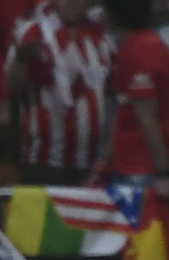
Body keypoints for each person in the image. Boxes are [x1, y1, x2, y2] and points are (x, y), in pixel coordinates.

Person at [7, 0, 111, 185]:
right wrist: (21, 61)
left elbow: (111, 90)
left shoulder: (99, 35)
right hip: (44, 161)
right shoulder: (32, 32)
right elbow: (10, 89)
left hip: (92, 162)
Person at [102, 0, 169, 198]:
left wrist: (163, 172)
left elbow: (147, 118)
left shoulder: (139, 51)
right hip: (138, 164)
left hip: (143, 168)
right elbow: (122, 107)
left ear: (113, 15)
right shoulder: (144, 45)